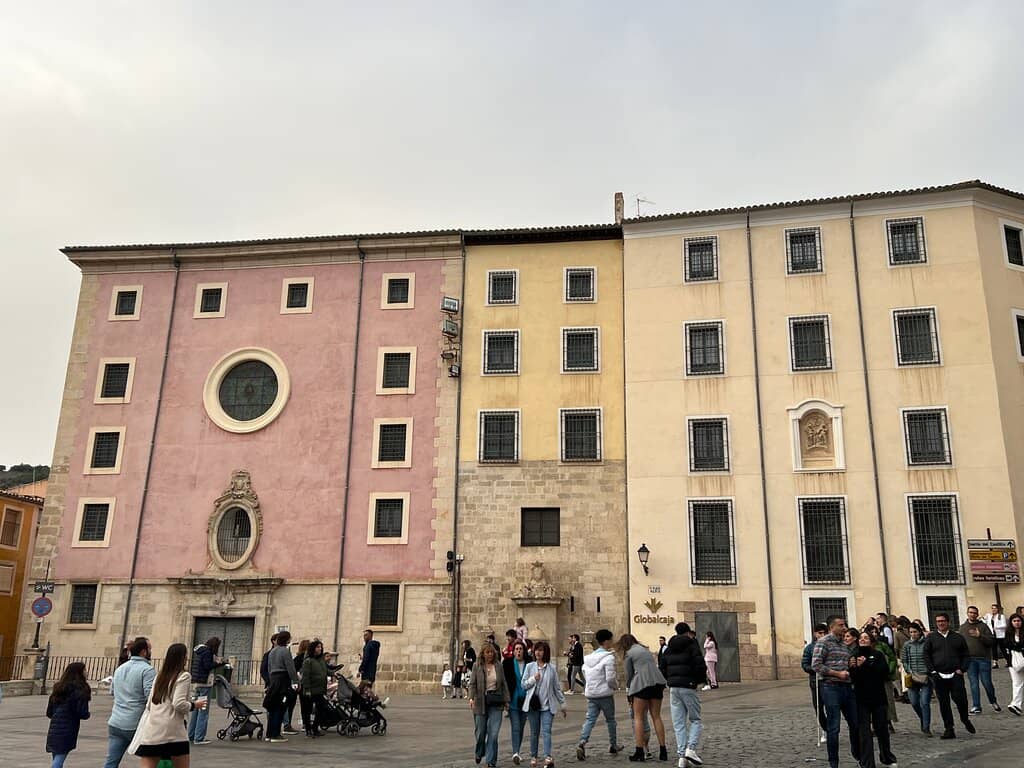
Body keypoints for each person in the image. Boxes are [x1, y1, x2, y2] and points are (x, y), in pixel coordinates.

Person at [135, 642, 207, 768]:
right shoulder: (183, 676)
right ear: (182, 658)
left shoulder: (160, 676)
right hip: (173, 731)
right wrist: (194, 705)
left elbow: (149, 703)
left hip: (153, 728)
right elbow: (178, 703)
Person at [811, 615, 861, 768]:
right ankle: (834, 762)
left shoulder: (845, 645)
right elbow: (816, 665)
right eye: (841, 625)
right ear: (832, 627)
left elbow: (844, 664)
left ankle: (858, 754)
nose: (844, 627)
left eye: (844, 624)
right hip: (830, 687)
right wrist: (837, 673)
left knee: (855, 723)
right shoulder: (823, 642)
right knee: (834, 727)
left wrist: (851, 664)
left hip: (846, 687)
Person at [104, 636, 156, 768]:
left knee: (111, 762)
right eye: (149, 648)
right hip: (135, 723)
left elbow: (112, 692)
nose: (151, 651)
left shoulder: (120, 668)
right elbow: (150, 697)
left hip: (116, 721)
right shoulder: (147, 670)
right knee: (151, 759)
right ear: (143, 652)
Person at [849, 630, 898, 767]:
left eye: (866, 637)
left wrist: (866, 665)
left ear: (871, 640)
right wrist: (854, 667)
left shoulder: (878, 655)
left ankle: (887, 757)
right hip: (861, 698)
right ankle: (867, 762)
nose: (863, 639)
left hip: (878, 697)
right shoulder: (853, 655)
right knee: (864, 732)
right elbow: (853, 678)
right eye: (861, 638)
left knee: (882, 729)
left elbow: (883, 673)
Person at [658, 621, 705, 767]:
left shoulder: (668, 648)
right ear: (687, 632)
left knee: (678, 723)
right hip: (688, 686)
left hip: (673, 688)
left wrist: (669, 680)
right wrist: (698, 681)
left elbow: (662, 666)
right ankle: (690, 749)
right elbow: (700, 665)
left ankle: (681, 757)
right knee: (695, 719)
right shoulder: (692, 645)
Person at [923, 612, 975, 739]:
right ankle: (949, 728)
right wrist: (933, 671)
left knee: (961, 700)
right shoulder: (931, 638)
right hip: (939, 675)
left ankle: (965, 719)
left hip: (955, 674)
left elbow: (966, 655)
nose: (941, 623)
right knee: (944, 703)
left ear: (948, 622)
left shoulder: (958, 637)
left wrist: (962, 669)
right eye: (938, 621)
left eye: (943, 621)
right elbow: (926, 655)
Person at [619, 633, 667, 763]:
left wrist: (629, 689)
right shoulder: (645, 649)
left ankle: (639, 751)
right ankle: (663, 750)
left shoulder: (629, 653)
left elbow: (628, 675)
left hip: (642, 684)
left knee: (638, 717)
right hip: (658, 682)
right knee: (656, 716)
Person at [576, 629, 623, 761]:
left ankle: (582, 742)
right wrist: (615, 686)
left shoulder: (589, 658)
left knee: (590, 719)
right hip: (605, 694)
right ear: (607, 641)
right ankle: (613, 745)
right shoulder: (608, 658)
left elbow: (585, 673)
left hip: (592, 694)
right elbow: (610, 678)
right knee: (611, 720)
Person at [522, 640, 566, 768]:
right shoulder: (530, 666)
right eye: (536, 650)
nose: (538, 652)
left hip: (547, 706)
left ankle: (547, 756)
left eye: (541, 650)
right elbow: (523, 685)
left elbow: (556, 688)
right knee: (534, 732)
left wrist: (563, 704)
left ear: (545, 652)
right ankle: (534, 756)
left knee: (546, 731)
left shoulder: (551, 668)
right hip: (533, 706)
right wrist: (532, 679)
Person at [469, 642, 510, 768]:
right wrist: (471, 698)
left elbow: (503, 683)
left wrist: (506, 700)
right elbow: (472, 684)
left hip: (496, 701)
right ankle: (479, 751)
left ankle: (491, 761)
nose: (490, 655)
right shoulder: (477, 666)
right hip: (480, 701)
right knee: (481, 732)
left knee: (493, 733)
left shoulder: (498, 666)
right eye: (487, 652)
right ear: (483, 653)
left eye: (492, 652)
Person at [46, 662, 91, 768]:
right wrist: (87, 714)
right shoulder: (80, 689)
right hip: (68, 727)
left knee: (57, 755)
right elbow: (82, 712)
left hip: (54, 727)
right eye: (84, 670)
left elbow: (49, 712)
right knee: (59, 758)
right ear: (79, 672)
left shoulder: (58, 688)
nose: (86, 672)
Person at [959, 605, 1000, 713]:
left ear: (977, 614)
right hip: (970, 660)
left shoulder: (983, 626)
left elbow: (991, 642)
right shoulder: (962, 628)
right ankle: (976, 706)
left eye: (974, 613)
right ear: (967, 613)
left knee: (987, 682)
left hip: (983, 659)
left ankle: (993, 701)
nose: (972, 614)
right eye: (970, 612)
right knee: (973, 683)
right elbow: (959, 645)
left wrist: (980, 636)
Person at [263, 631, 299, 742]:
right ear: (286, 639)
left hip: (273, 679)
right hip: (283, 680)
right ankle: (276, 734)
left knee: (273, 708)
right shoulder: (285, 651)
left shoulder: (272, 652)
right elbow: (290, 668)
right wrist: (295, 681)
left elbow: (269, 668)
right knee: (280, 707)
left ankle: (269, 733)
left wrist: (270, 681)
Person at [186, 636, 220, 745]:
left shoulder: (199, 651)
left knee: (196, 709)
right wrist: (219, 663)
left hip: (197, 683)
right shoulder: (207, 652)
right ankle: (199, 737)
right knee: (203, 711)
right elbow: (207, 666)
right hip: (205, 684)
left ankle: (191, 735)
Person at [901, 622, 933, 735]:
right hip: (912, 677)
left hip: (925, 676)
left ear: (919, 632)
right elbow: (904, 660)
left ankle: (926, 727)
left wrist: (929, 670)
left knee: (924, 702)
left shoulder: (927, 643)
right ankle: (923, 718)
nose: (913, 634)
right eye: (911, 632)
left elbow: (931, 658)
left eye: (915, 632)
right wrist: (909, 670)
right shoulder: (907, 645)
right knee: (914, 702)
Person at [864, 625, 898, 732]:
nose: (874, 634)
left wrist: (889, 670)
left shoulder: (882, 645)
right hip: (870, 680)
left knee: (887, 700)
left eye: (875, 632)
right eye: (871, 632)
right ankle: (874, 724)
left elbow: (892, 658)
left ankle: (888, 721)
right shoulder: (863, 648)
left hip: (884, 678)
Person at [801, 623, 829, 743]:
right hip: (815, 681)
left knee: (831, 706)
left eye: (824, 633)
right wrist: (814, 669)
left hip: (829, 680)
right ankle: (825, 729)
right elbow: (805, 664)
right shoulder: (809, 648)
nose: (822, 635)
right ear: (815, 634)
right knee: (818, 707)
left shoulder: (830, 646)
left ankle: (832, 729)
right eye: (820, 633)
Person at [503, 639, 529, 764]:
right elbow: (504, 683)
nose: (519, 651)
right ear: (513, 651)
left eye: (521, 649)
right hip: (513, 700)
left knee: (522, 727)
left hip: (525, 700)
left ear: (524, 651)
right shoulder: (507, 664)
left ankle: (517, 751)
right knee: (516, 727)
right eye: (516, 649)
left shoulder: (529, 663)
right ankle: (515, 753)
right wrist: (505, 700)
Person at [300, 639, 330, 738]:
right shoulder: (308, 661)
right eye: (318, 647)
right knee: (307, 711)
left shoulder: (321, 660)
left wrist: (333, 673)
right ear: (313, 648)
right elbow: (306, 676)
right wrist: (307, 689)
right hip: (310, 690)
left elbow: (326, 670)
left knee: (322, 708)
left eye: (320, 647)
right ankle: (308, 729)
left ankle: (315, 727)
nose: (320, 649)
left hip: (320, 690)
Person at [1004, 613, 1024, 715]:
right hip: (1013, 662)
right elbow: (1006, 645)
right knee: (1017, 684)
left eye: (1018, 621)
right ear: (1011, 622)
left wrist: (1017, 646)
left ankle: (1016, 704)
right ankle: (1016, 705)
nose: (1017, 623)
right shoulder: (1008, 633)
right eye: (1014, 621)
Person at [984, 604, 1007, 669]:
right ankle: (995, 663)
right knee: (994, 649)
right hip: (992, 635)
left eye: (995, 608)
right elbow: (986, 622)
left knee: (1003, 648)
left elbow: (1004, 625)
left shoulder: (1001, 616)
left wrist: (996, 627)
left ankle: (1007, 661)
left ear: (998, 609)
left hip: (1000, 635)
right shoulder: (990, 616)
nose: (993, 609)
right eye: (992, 608)